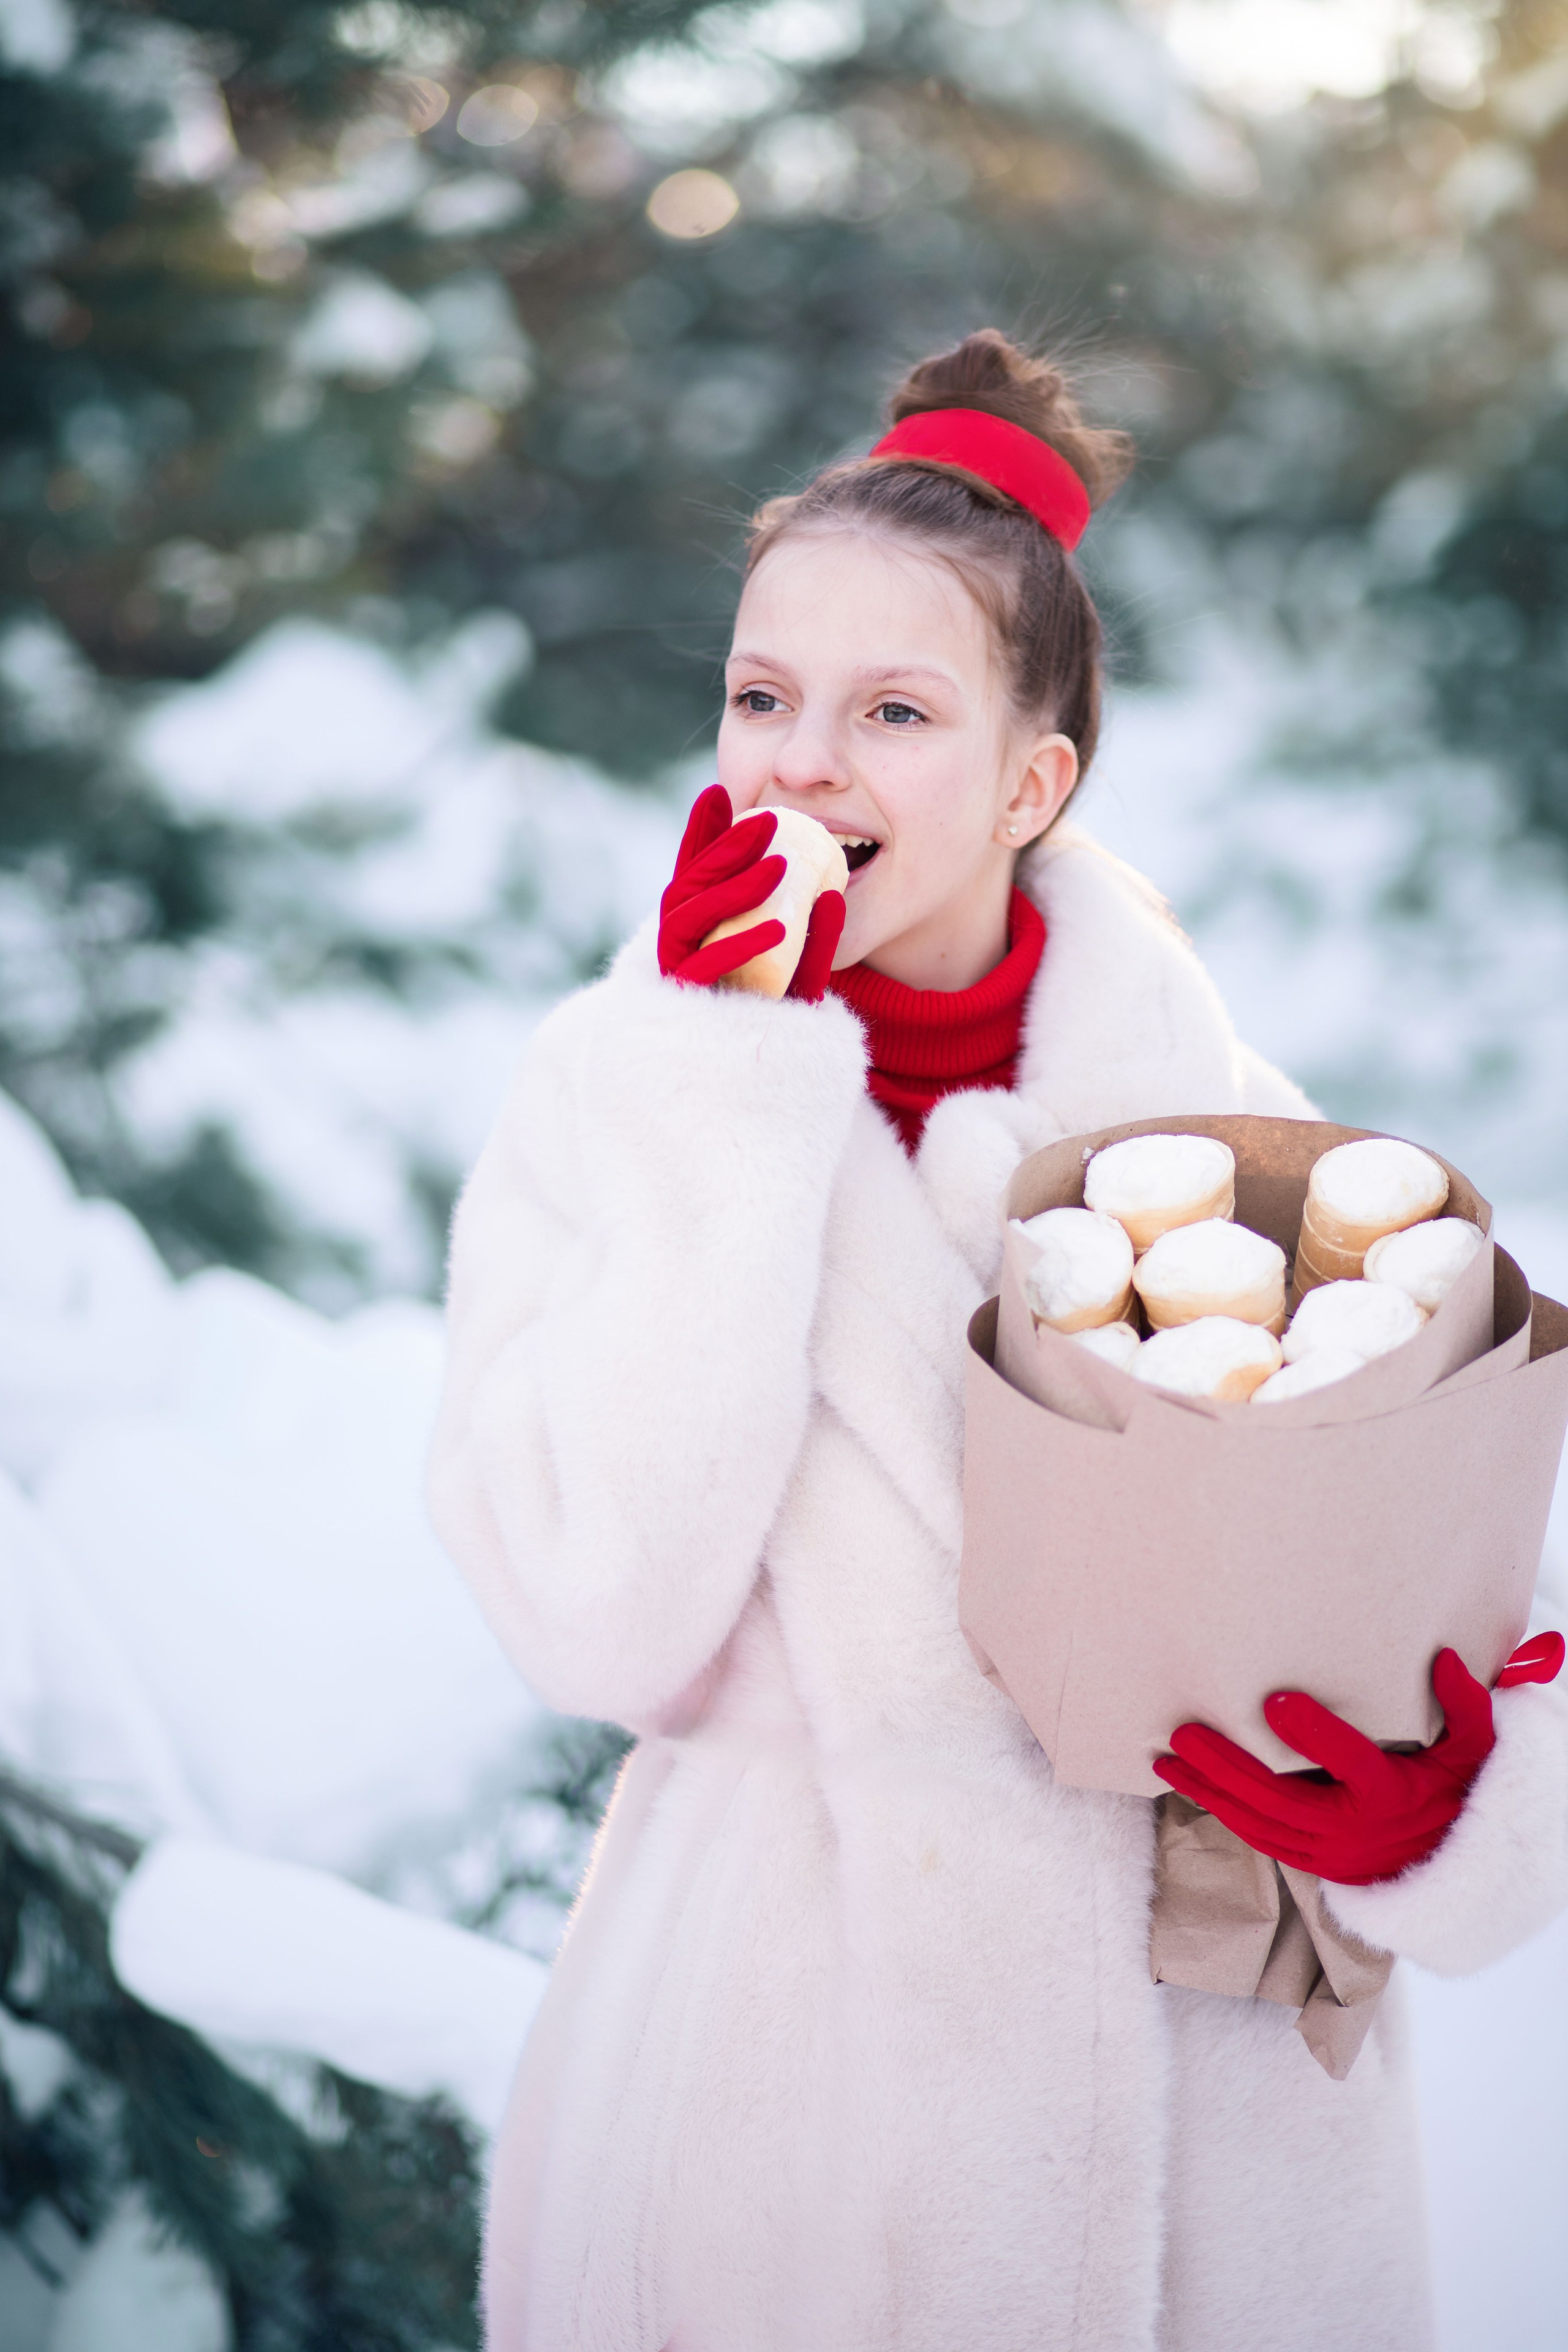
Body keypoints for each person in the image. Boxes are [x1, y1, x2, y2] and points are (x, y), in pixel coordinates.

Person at [428, 331, 1568, 2351]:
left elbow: (1492, 1599)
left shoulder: (1252, 1152)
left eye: (893, 711)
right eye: (762, 698)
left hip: (1213, 2188)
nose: (798, 763)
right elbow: (602, 1622)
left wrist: (1453, 1807)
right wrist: (730, 1092)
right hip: (778, 2144)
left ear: (1036, 779)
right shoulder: (615, 1105)